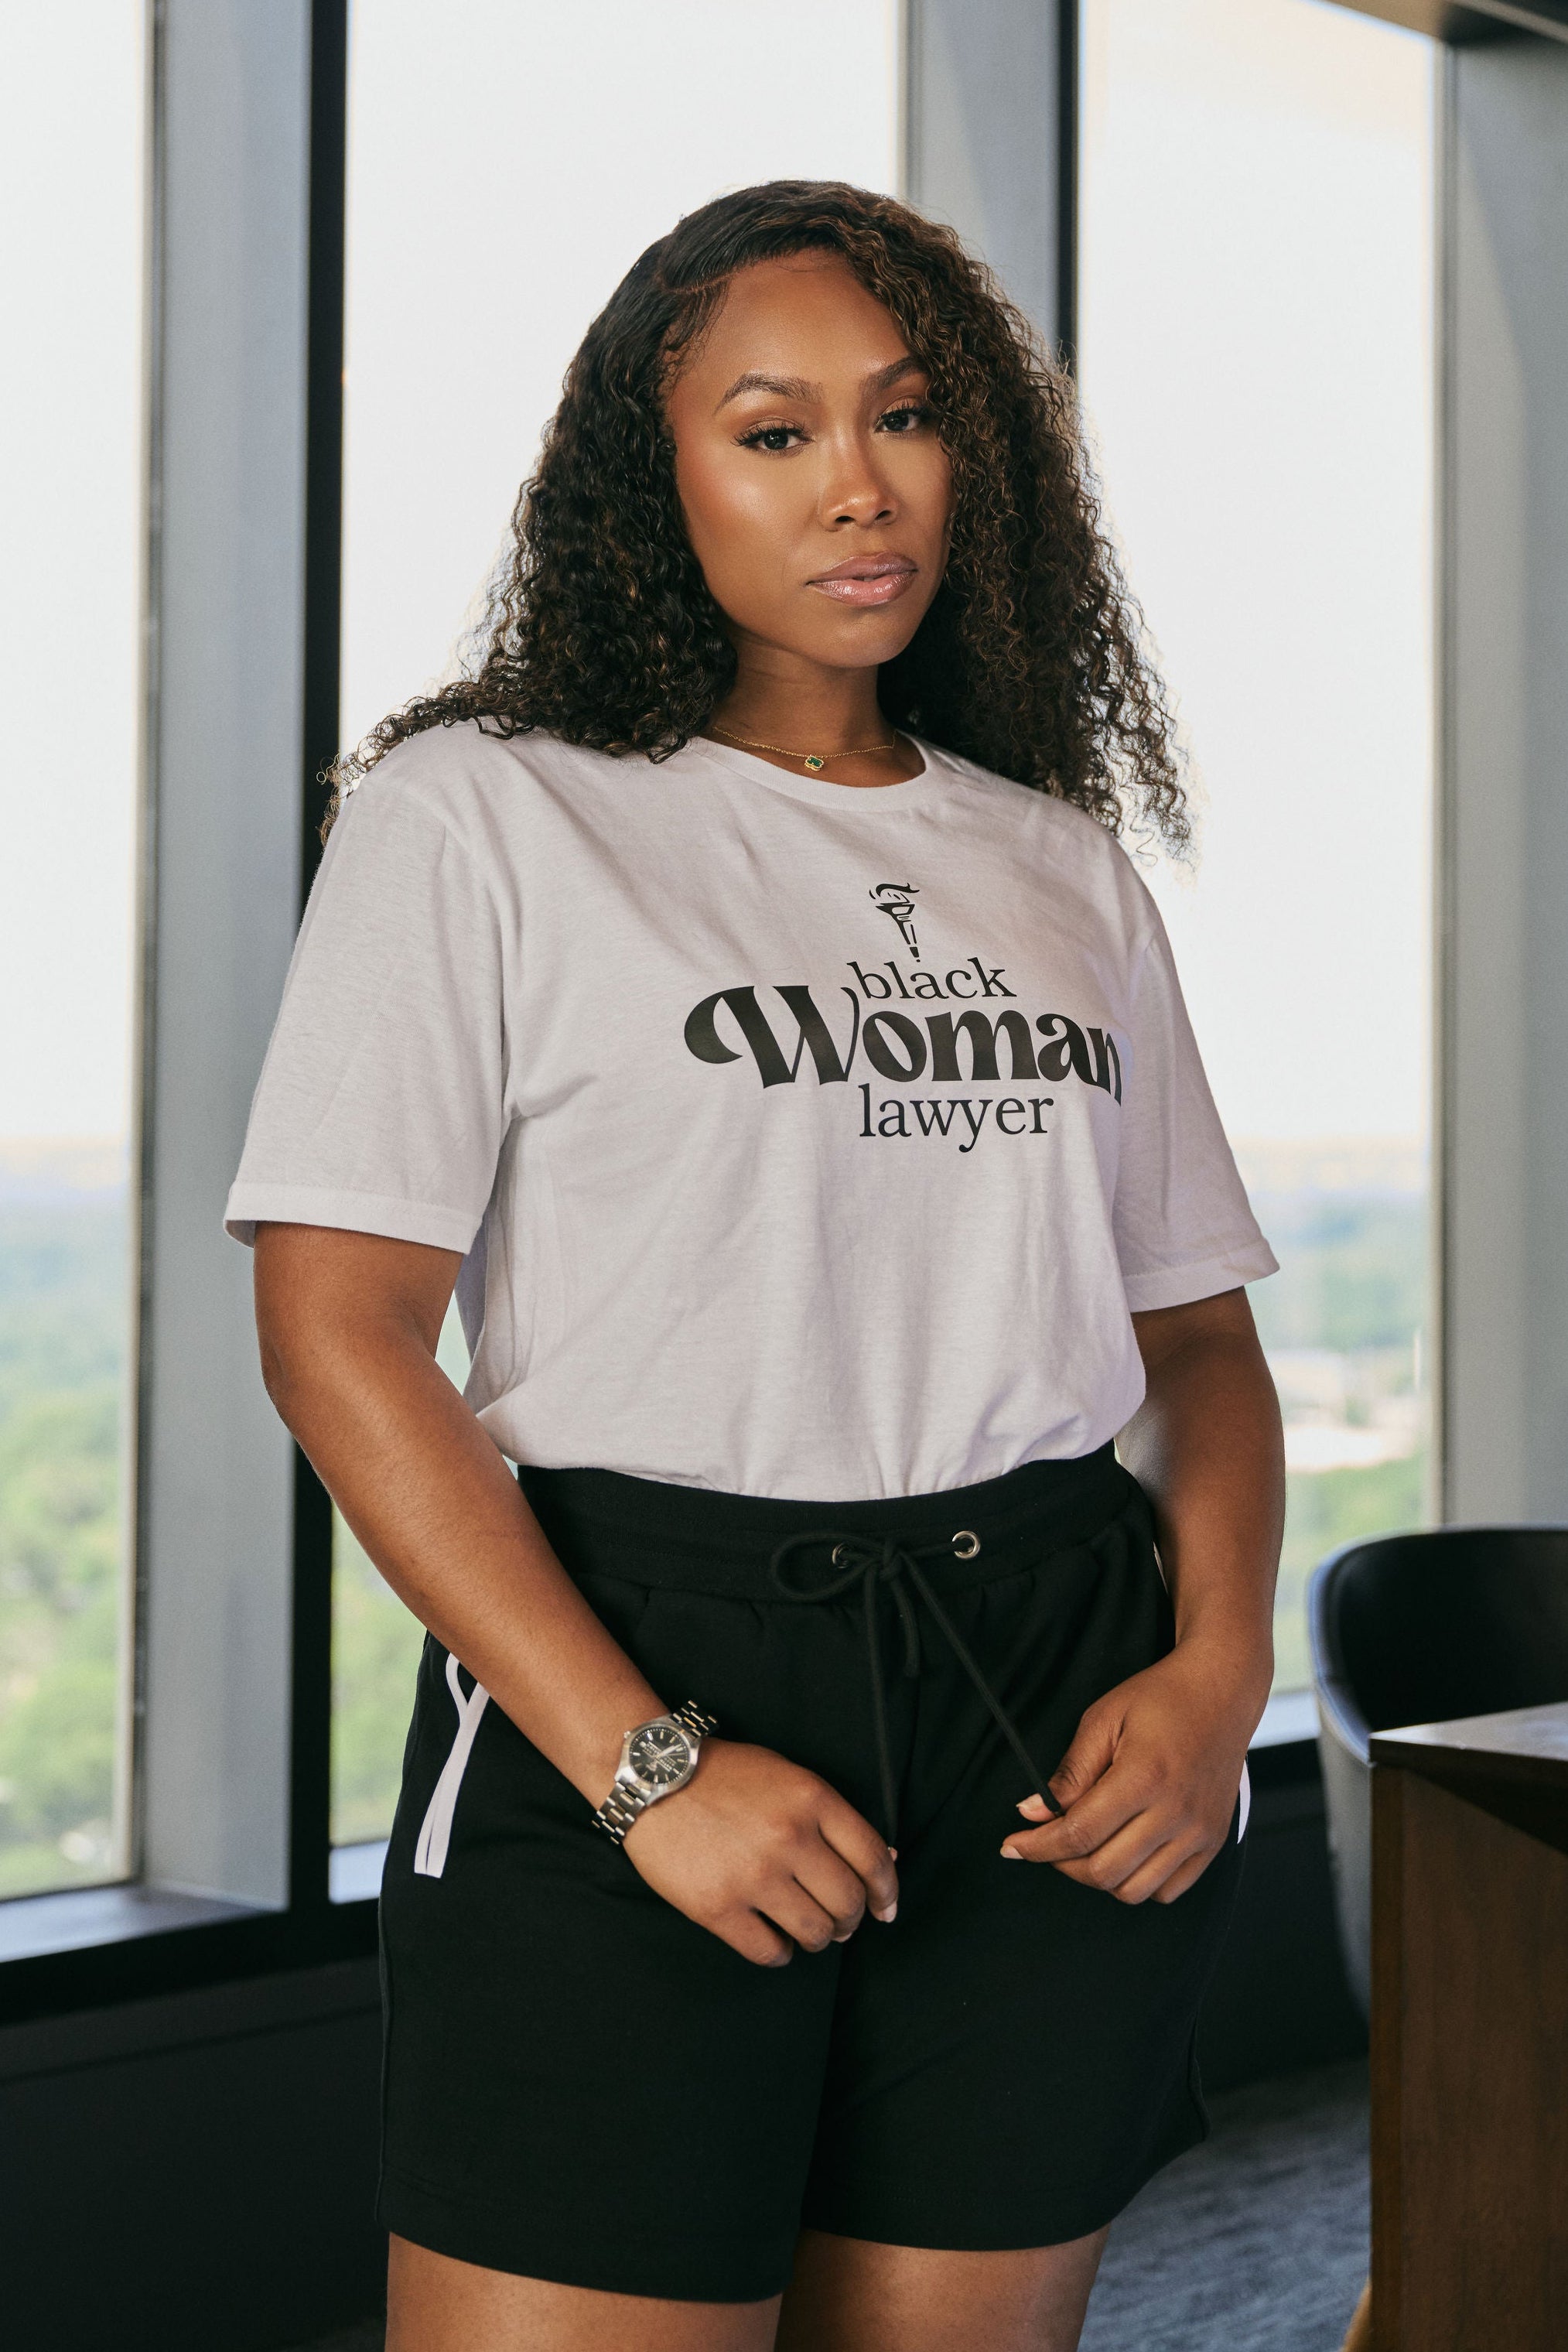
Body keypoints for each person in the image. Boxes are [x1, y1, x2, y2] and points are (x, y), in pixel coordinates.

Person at [227, 181, 1283, 2352]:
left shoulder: (1053, 863)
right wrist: (643, 1767)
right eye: (771, 430)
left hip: (1045, 1704)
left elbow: (1193, 1339)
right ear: (655, 468)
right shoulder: (488, 814)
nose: (857, 484)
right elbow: (340, 1338)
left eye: (902, 417)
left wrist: (1212, 1673)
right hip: (632, 1658)